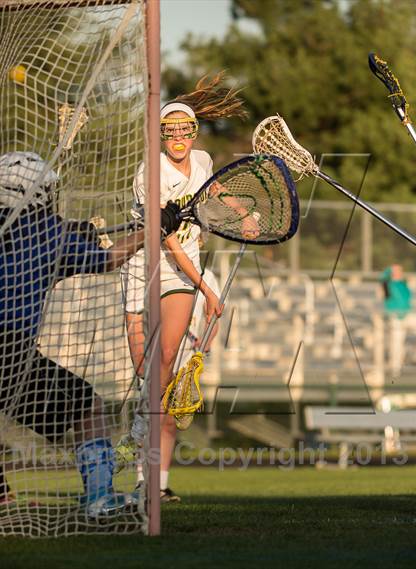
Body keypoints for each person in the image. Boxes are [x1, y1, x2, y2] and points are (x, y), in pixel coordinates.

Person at [0, 151, 181, 516]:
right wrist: (153, 229)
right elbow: (110, 259)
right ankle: (99, 497)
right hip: (10, 346)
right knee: (87, 405)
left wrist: (73, 230)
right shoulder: (46, 232)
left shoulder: (34, 230)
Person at [120, 73, 255, 502]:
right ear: (160, 135)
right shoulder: (151, 172)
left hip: (185, 263)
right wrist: (210, 292)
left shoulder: (202, 160)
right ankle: (141, 452)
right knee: (150, 375)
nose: (178, 137)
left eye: (185, 130)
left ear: (194, 133)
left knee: (166, 375)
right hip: (147, 261)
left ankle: (156, 485)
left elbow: (210, 188)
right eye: (170, 131)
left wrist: (243, 213)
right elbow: (167, 240)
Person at [380, 264, 413, 377]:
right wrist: (390, 269)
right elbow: (382, 277)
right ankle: (395, 369)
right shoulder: (388, 284)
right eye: (397, 271)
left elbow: (407, 298)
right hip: (395, 317)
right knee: (396, 343)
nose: (400, 273)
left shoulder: (403, 284)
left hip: (406, 315)